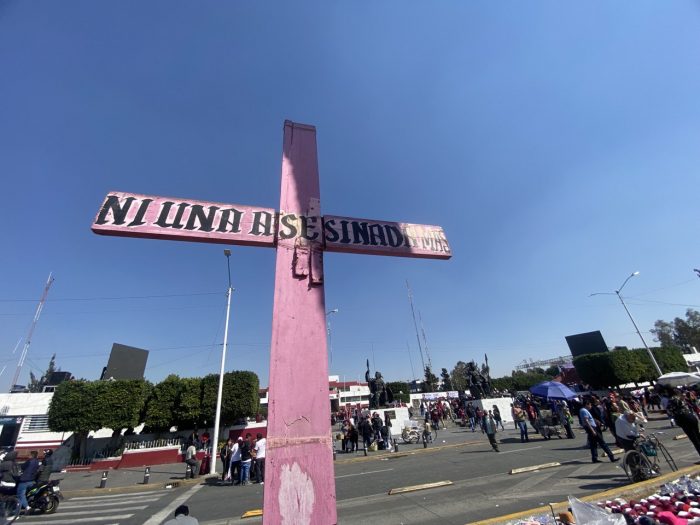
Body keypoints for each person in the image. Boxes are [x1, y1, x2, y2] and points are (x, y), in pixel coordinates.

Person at [580, 399, 618, 463]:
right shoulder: (584, 410)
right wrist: (593, 430)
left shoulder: (583, 410)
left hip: (591, 428)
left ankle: (594, 458)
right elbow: (586, 421)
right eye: (590, 405)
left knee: (593, 444)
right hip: (592, 428)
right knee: (602, 442)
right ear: (587, 404)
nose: (591, 406)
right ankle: (611, 457)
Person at [667, 388, 700, 456]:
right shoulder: (682, 397)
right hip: (691, 417)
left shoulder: (671, 400)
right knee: (698, 436)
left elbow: (669, 411)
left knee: (694, 439)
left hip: (683, 419)